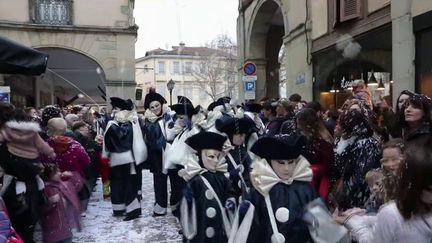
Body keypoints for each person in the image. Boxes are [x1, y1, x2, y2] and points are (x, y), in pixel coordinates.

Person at [337, 135, 432, 242]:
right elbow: (384, 218)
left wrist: (355, 223)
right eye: (385, 160)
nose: (390, 164)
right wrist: (364, 216)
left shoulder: (396, 209)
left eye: (395, 159)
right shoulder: (384, 183)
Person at [234, 135, 319, 243]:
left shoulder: (306, 191)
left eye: (291, 162)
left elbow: (318, 228)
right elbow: (250, 231)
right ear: (270, 162)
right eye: (281, 163)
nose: (286, 168)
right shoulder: (260, 190)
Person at [0, 109, 54, 242]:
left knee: (18, 216)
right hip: (31, 173)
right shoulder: (33, 132)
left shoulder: (7, 131)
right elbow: (44, 147)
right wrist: (51, 153)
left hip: (14, 176)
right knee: (31, 214)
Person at [179, 131, 236, 242]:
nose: (215, 160)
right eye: (211, 156)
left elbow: (230, 193)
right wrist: (188, 201)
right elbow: (186, 210)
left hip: (220, 225)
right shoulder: (195, 180)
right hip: (201, 225)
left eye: (218, 157)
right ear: (200, 156)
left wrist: (231, 201)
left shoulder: (222, 178)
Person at [103, 97, 146, 221]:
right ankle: (119, 208)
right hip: (119, 160)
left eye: (116, 109)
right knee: (118, 184)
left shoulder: (127, 123)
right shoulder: (122, 123)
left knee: (128, 185)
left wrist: (111, 127)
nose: (114, 112)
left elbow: (123, 140)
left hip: (126, 160)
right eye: (114, 109)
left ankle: (133, 211)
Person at [330, 109, 381, 210]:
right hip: (346, 192)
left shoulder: (367, 143)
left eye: (341, 124)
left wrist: (347, 188)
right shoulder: (344, 140)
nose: (337, 126)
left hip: (360, 194)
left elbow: (362, 173)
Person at [142, 90, 178, 217]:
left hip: (173, 154)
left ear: (161, 104)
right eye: (152, 107)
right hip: (158, 156)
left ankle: (176, 205)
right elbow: (152, 140)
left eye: (157, 105)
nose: (155, 108)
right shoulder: (148, 122)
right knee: (159, 182)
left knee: (175, 181)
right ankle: (160, 207)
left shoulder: (172, 115)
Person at [296, 108, 334, 199]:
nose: (297, 126)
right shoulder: (303, 137)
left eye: (298, 123)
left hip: (318, 181)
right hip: (305, 177)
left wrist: (312, 169)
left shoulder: (322, 140)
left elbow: (328, 164)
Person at [40, 164, 82, 243]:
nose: (59, 173)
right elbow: (40, 209)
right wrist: (51, 202)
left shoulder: (62, 185)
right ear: (49, 175)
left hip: (65, 228)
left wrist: (72, 175)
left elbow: (78, 185)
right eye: (56, 172)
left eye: (58, 171)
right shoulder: (45, 189)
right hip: (52, 229)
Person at [215, 116, 255, 199]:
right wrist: (229, 175)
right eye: (240, 135)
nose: (243, 139)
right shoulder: (221, 152)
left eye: (244, 135)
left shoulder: (243, 151)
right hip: (228, 194)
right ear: (231, 134)